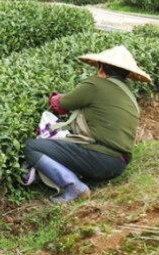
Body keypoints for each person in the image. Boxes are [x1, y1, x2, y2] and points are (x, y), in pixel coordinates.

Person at [22, 45, 151, 203]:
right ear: (126, 74)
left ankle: (73, 186)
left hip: (98, 159)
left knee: (28, 146)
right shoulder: (129, 95)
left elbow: (60, 104)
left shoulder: (95, 84)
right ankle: (76, 177)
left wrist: (55, 97)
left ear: (101, 67)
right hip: (118, 166)